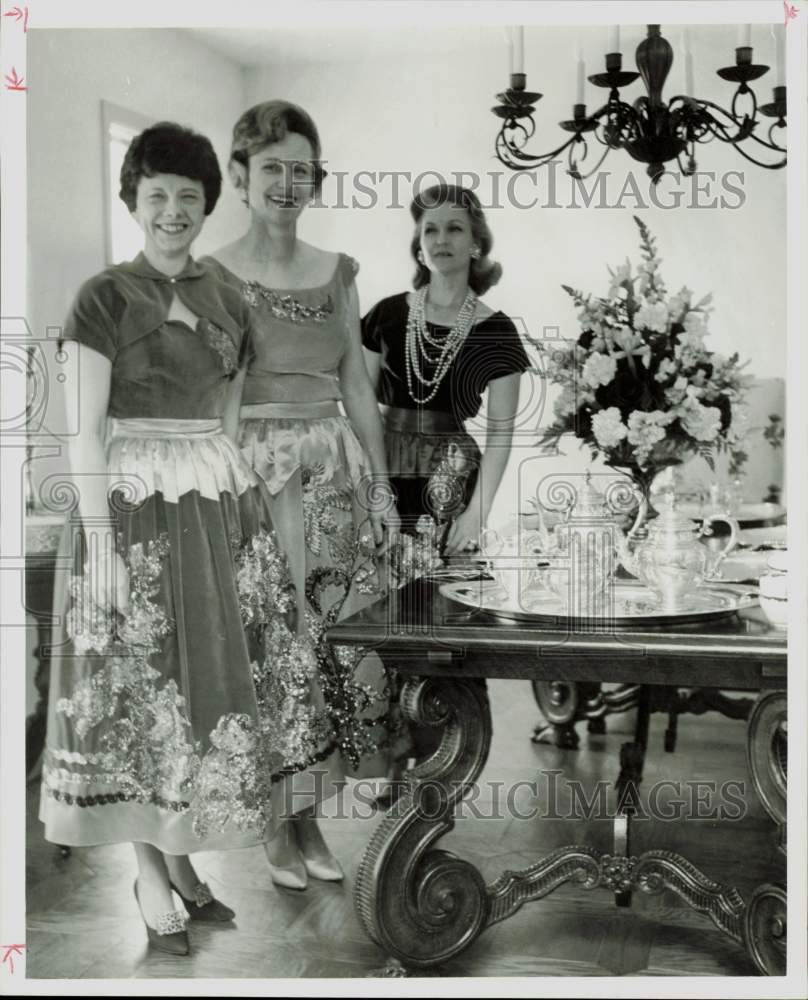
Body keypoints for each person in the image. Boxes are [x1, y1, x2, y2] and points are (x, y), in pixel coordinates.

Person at [39, 122, 309, 956]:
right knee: (139, 691)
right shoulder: (103, 298)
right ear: (133, 201)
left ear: (206, 203)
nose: (172, 211)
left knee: (200, 695)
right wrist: (100, 548)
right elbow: (80, 432)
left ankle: (187, 866)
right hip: (131, 512)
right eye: (155, 194)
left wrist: (248, 493)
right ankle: (150, 870)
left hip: (214, 508)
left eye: (188, 196)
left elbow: (228, 412)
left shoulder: (228, 296)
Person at [207, 100, 402, 888]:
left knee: (335, 644)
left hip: (335, 473)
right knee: (272, 647)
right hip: (258, 471)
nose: (288, 184)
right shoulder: (216, 273)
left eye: (301, 170)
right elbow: (223, 386)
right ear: (240, 177)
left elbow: (356, 380)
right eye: (272, 169)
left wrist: (382, 488)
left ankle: (312, 816)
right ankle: (278, 829)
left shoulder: (337, 270)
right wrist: (224, 484)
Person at [361, 183, 530, 554]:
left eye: (454, 228)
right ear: (419, 247)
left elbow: (501, 436)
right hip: (380, 466)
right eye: (430, 230)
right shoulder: (385, 315)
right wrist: (372, 484)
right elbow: (359, 407)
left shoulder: (497, 331)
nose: (441, 239)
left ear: (475, 243)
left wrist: (476, 514)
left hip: (450, 476)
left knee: (443, 598)